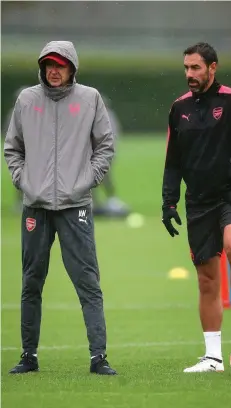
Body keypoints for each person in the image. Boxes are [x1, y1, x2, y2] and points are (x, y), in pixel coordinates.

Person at [4, 40, 117, 375]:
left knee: (88, 282)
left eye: (60, 65)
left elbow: (105, 146)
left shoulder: (90, 98)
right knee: (31, 281)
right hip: (35, 207)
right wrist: (25, 181)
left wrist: (86, 180)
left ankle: (99, 358)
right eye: (49, 65)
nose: (54, 70)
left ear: (72, 68)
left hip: (75, 206)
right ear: (42, 67)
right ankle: (28, 356)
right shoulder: (26, 99)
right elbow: (12, 148)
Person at [161, 42, 231, 373]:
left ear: (213, 68)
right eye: (186, 68)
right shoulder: (179, 109)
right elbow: (172, 161)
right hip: (198, 203)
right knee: (207, 280)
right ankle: (213, 358)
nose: (189, 74)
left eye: (195, 68)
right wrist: (168, 201)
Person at [92, 94, 130, 218]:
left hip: (104, 154)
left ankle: (110, 200)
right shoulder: (94, 115)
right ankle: (95, 204)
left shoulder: (107, 116)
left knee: (103, 178)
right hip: (95, 154)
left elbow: (113, 135)